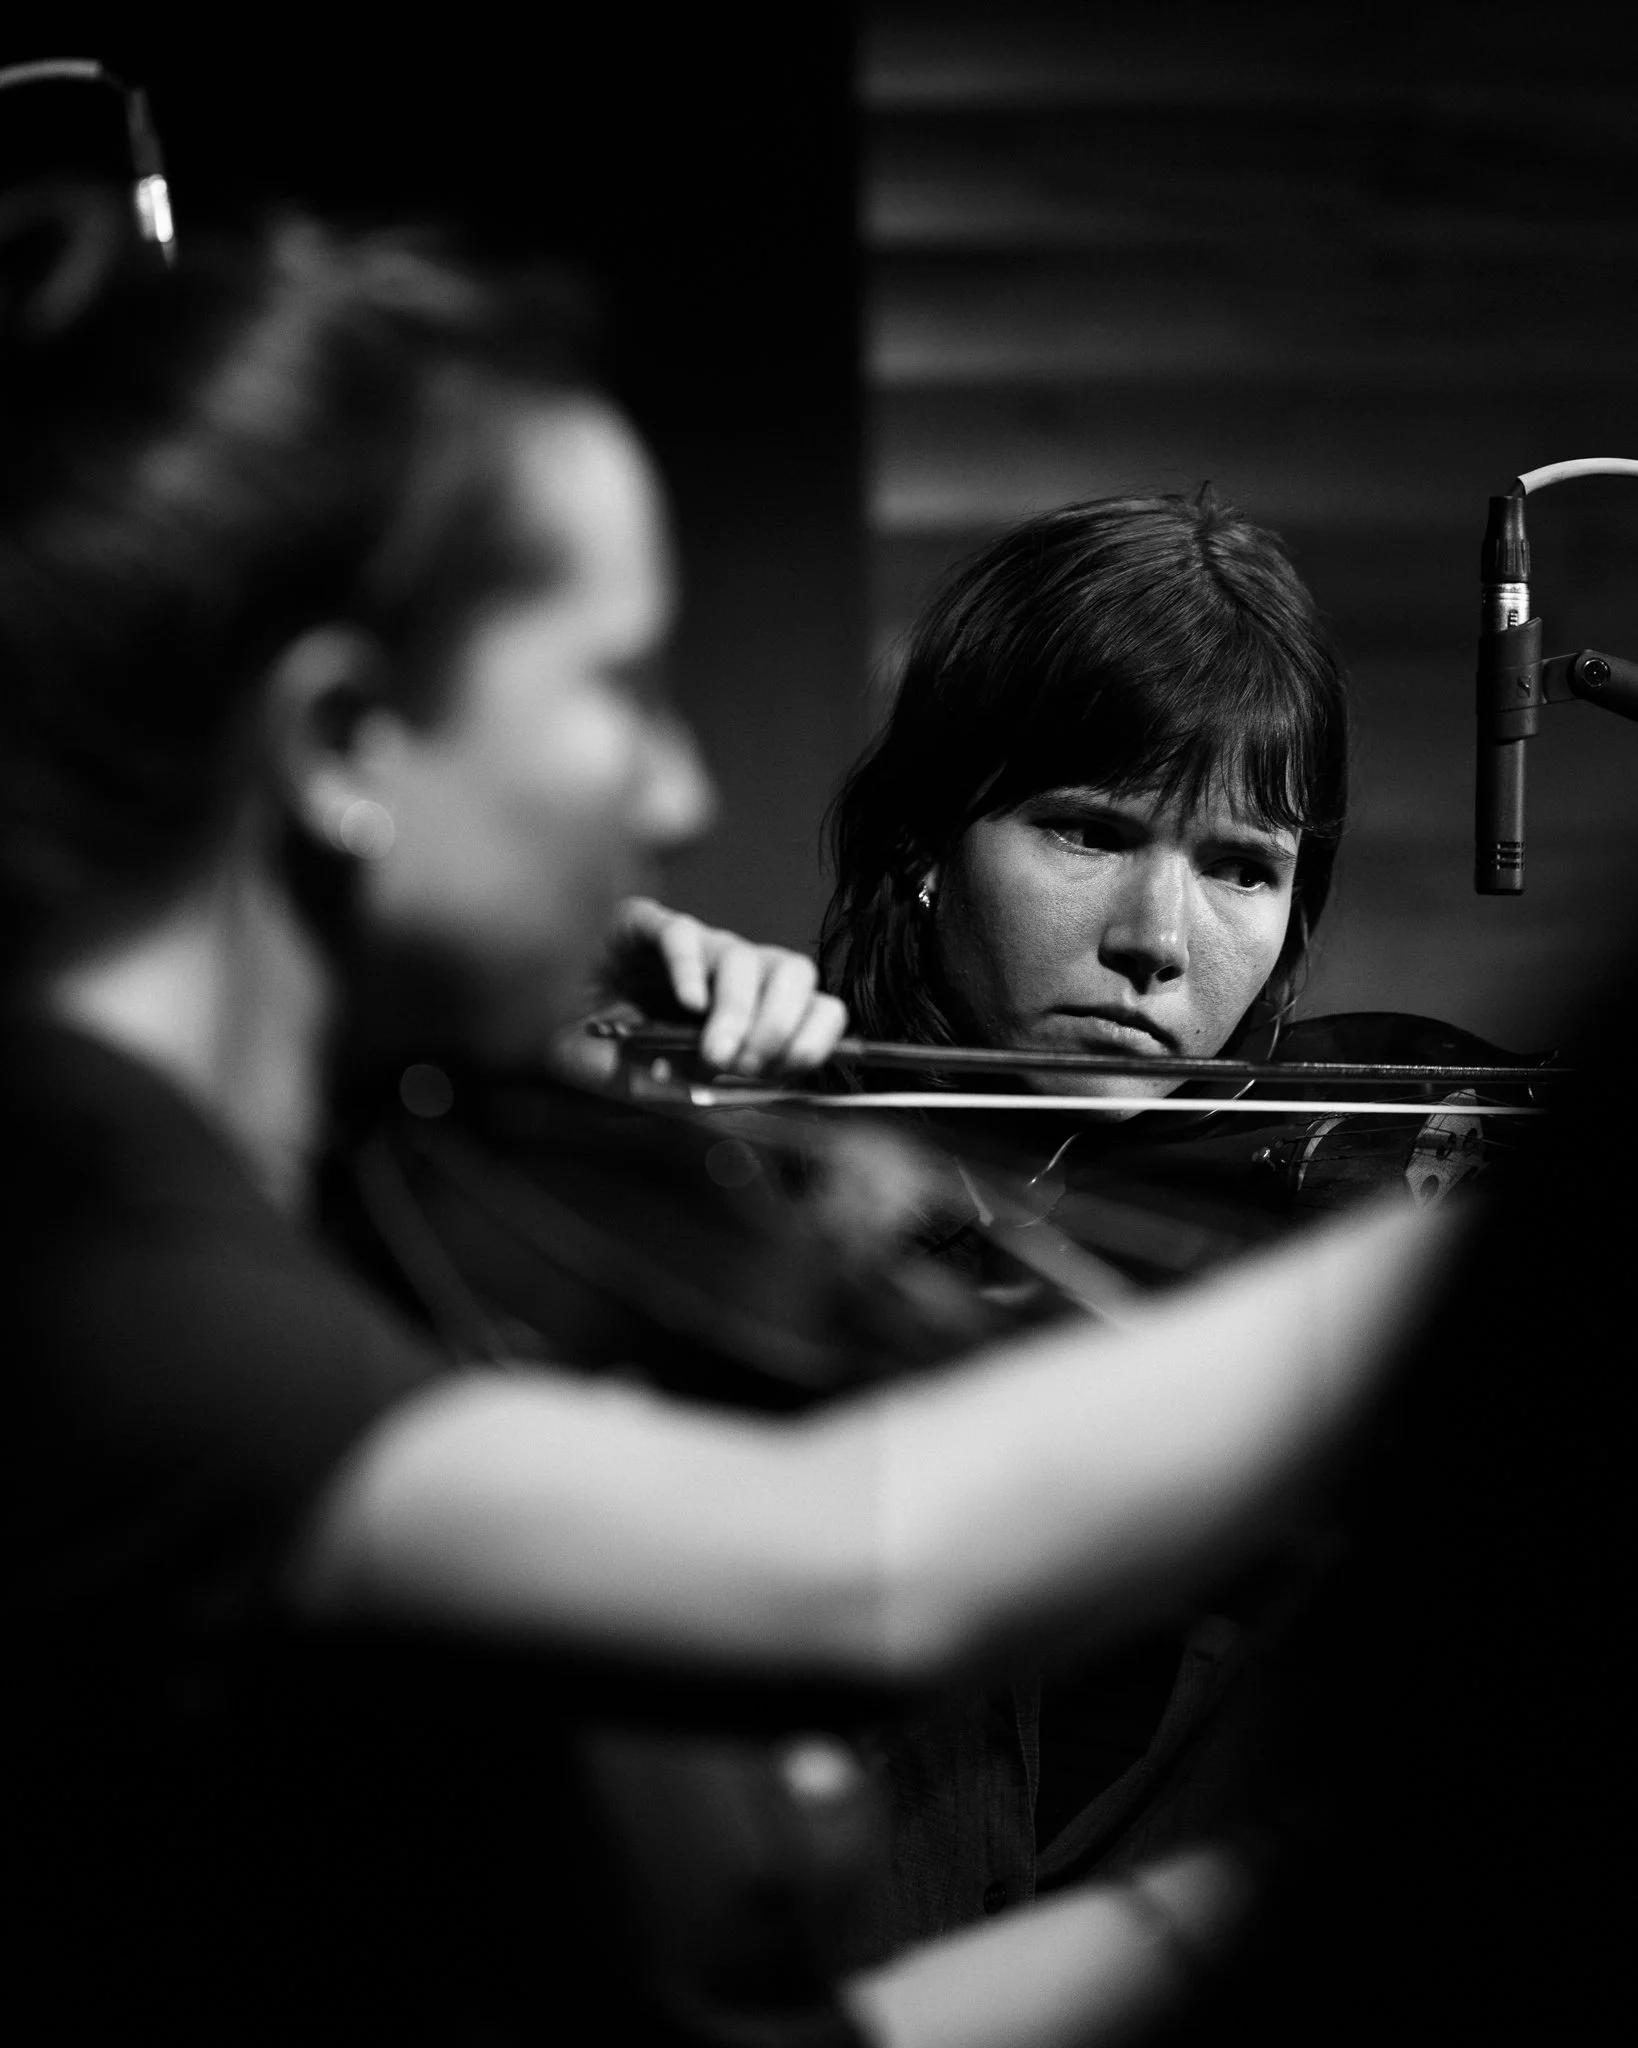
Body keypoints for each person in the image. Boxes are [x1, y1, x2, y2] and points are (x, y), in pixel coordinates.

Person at [0, 186, 1450, 2046]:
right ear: (345, 741)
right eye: (615, 686)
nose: (683, 789)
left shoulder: (264, 1184)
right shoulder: (109, 1271)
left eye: (1240, 868)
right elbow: (858, 1565)